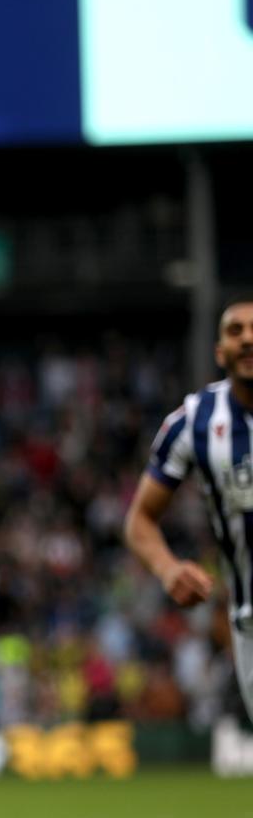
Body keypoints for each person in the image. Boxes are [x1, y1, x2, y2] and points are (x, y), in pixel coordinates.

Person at [124, 298, 253, 718]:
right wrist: (168, 569)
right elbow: (140, 520)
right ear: (219, 352)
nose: (248, 339)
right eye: (236, 331)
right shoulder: (193, 422)